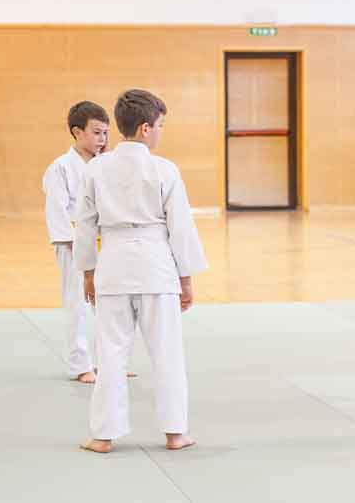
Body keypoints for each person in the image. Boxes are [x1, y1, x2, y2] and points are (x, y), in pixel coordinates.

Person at [74, 89, 207, 453]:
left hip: (112, 264)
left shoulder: (97, 168)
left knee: (111, 352)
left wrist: (88, 271)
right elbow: (180, 227)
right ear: (146, 128)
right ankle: (176, 432)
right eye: (161, 125)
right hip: (156, 265)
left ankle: (102, 435)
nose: (162, 132)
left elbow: (85, 224)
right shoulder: (164, 170)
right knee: (166, 351)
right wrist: (186, 277)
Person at [42, 101, 109, 383]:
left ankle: (109, 361)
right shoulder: (60, 168)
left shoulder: (106, 165)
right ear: (77, 132)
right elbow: (57, 211)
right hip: (73, 244)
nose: (102, 139)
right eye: (96, 132)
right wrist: (75, 245)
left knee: (107, 304)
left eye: (105, 133)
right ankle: (80, 364)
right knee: (77, 302)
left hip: (105, 242)